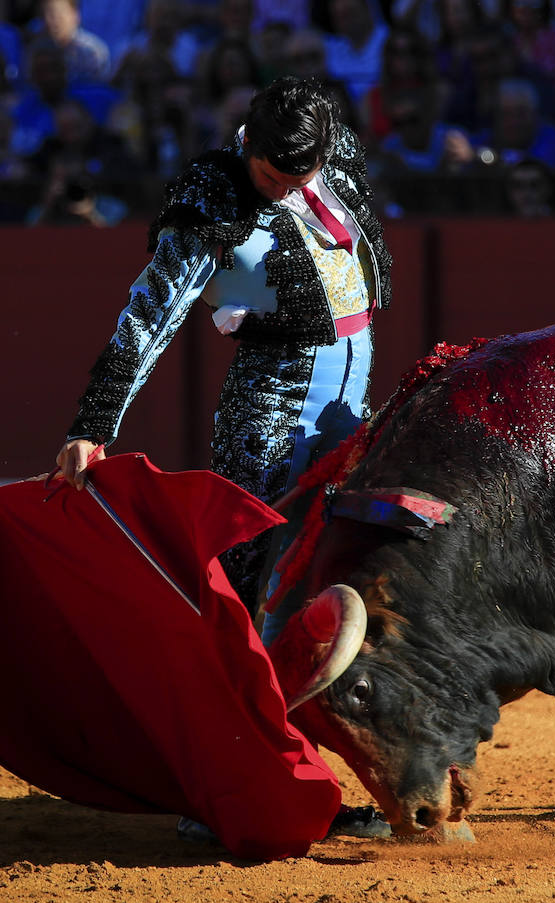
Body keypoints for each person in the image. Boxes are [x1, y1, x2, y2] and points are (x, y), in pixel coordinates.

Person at [54, 76, 392, 645]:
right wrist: (92, 424)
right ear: (247, 147)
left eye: (297, 180)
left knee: (345, 553)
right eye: (269, 177)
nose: (284, 191)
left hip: (349, 405)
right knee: (250, 572)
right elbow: (150, 316)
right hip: (269, 413)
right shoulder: (214, 195)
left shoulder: (330, 163)